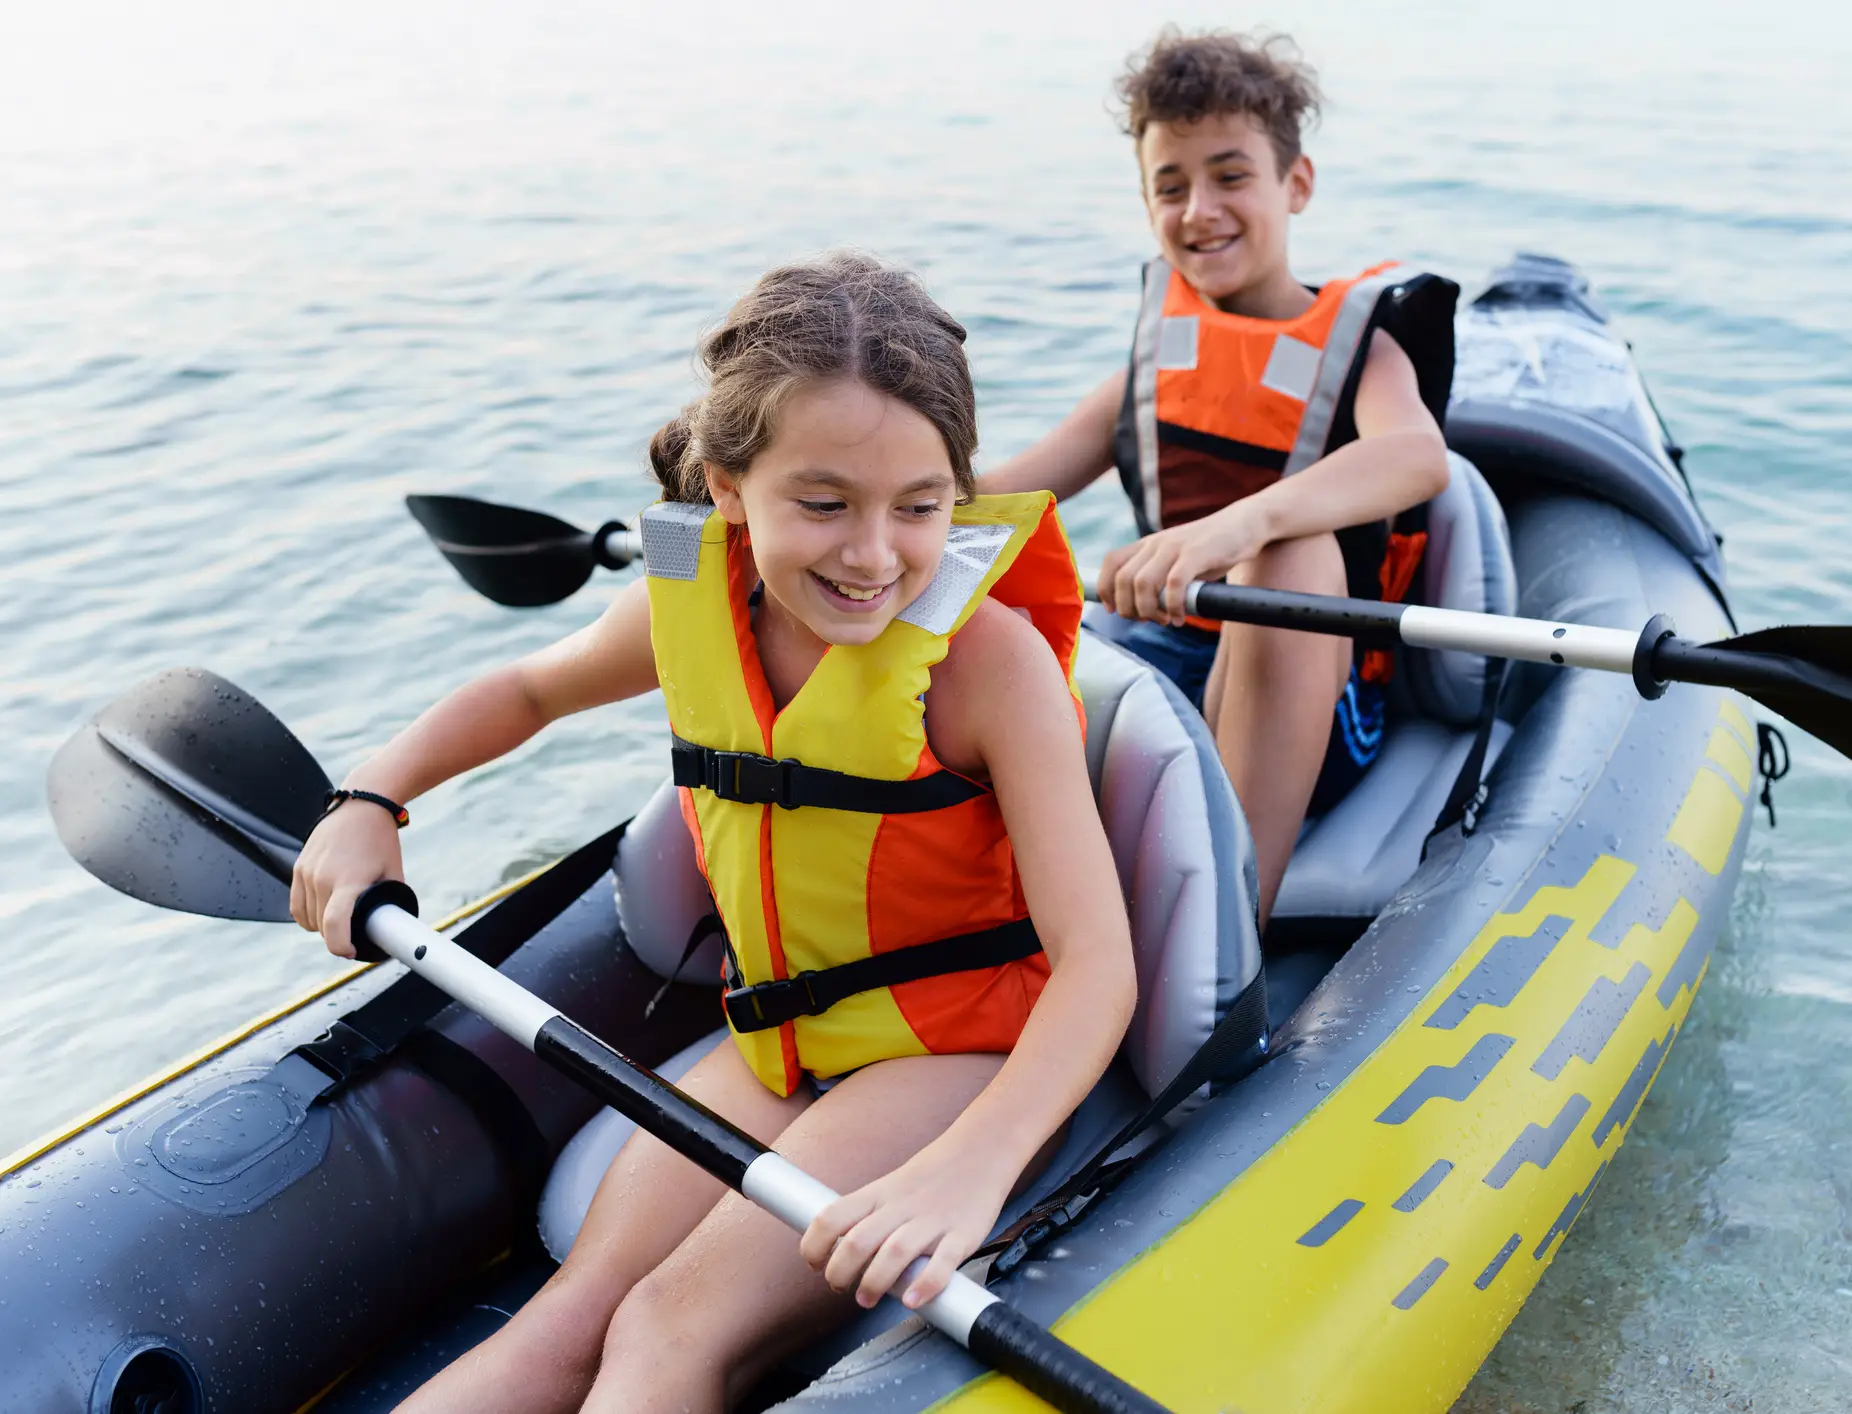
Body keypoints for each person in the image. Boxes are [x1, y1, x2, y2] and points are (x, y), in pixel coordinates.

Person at [290, 252, 1135, 1414]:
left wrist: (970, 1169)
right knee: (572, 1314)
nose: (873, 553)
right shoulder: (692, 599)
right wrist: (371, 798)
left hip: (949, 1057)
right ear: (731, 487)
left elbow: (1099, 966)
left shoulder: (990, 668)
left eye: (921, 506)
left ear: (959, 491)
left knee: (663, 1330)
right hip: (780, 1040)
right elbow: (531, 691)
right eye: (824, 502)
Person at [981, 30, 1453, 921]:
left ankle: (1233, 931)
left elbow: (1415, 457)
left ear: (1295, 184)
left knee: (1292, 553)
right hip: (1165, 662)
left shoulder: (1365, 348)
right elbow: (1006, 492)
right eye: (1170, 185)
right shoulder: (1158, 357)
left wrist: (1243, 528)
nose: (1199, 209)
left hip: (1319, 697)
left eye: (1230, 175)